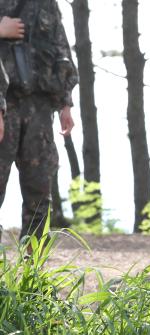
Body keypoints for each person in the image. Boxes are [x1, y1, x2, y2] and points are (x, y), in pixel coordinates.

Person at [0, 0, 78, 239]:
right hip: (5, 105)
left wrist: (65, 104)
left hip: (40, 109)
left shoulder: (47, 4)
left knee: (40, 192)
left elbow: (61, 51)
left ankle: (32, 269)